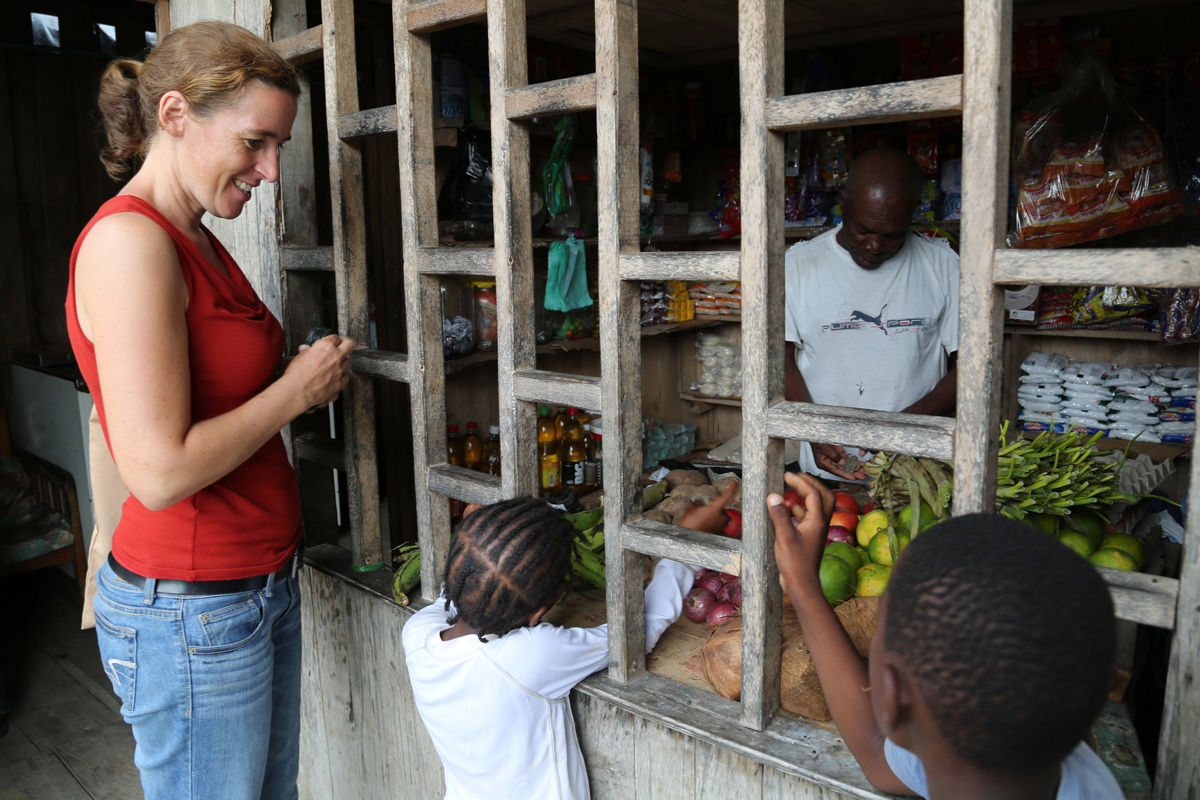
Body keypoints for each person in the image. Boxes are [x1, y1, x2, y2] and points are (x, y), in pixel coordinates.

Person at [64, 21, 354, 800]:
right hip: (192, 611)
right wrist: (295, 392)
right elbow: (158, 473)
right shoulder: (131, 245)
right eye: (256, 142)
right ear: (175, 115)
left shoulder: (193, 233)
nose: (270, 170)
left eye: (278, 146)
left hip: (248, 592)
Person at [770, 473, 1123, 800]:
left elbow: (877, 750)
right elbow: (877, 755)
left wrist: (803, 586)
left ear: (892, 697)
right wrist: (803, 587)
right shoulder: (1058, 763)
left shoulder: (948, 750)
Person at [403, 492, 732, 800]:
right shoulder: (528, 656)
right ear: (538, 614)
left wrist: (478, 541)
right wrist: (683, 550)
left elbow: (451, 594)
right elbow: (638, 628)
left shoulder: (416, 635)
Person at [785, 148, 959, 481]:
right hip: (828, 467)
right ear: (842, 201)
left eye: (893, 234)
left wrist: (901, 430)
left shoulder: (943, 265)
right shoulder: (797, 266)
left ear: (913, 211)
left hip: (920, 470)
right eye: (862, 230)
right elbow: (779, 363)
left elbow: (973, 370)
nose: (875, 246)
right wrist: (814, 432)